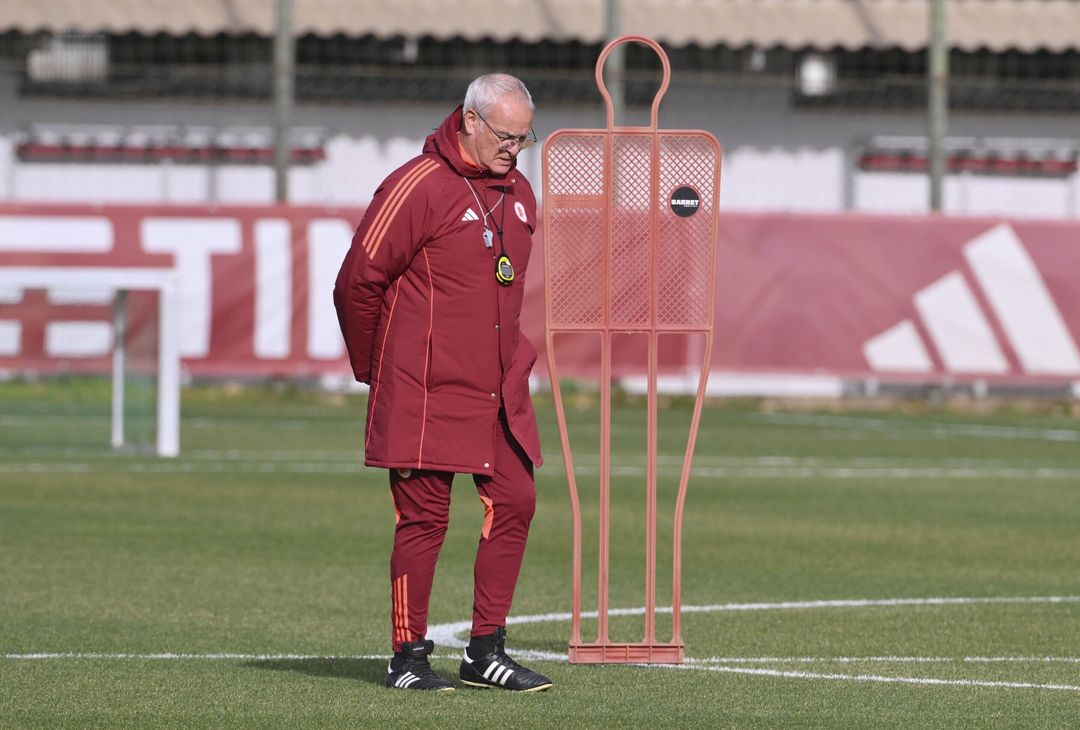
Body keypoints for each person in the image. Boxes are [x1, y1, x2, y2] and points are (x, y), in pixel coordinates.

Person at [334, 74, 551, 693]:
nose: (515, 147)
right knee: (424, 519)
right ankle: (407, 658)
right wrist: (376, 369)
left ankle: (486, 651)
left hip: (498, 390)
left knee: (515, 501)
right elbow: (356, 284)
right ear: (471, 121)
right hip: (424, 388)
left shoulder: (521, 193)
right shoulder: (416, 185)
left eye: (524, 136)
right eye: (505, 135)